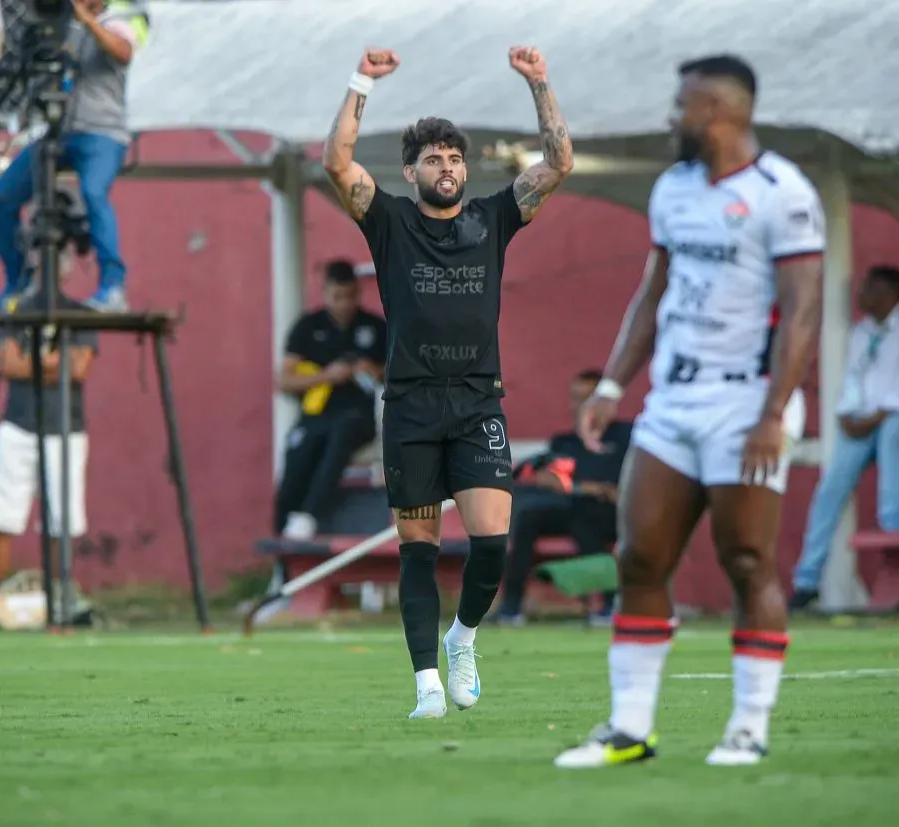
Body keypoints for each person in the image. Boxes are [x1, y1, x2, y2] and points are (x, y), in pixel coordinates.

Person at [554, 55, 824, 769]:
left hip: (747, 401)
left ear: (720, 112)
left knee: (747, 559)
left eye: (683, 105)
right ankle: (629, 729)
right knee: (640, 555)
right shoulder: (672, 187)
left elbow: (802, 313)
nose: (672, 117)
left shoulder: (783, 193)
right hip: (672, 402)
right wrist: (612, 387)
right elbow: (655, 293)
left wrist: (773, 414)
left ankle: (748, 727)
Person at [322, 46, 572, 718]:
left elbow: (558, 164)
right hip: (409, 406)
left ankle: (463, 637)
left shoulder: (492, 218)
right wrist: (362, 81)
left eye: (455, 158)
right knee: (419, 549)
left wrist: (539, 83)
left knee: (491, 540)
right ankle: (427, 684)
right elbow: (337, 163)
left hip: (476, 402)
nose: (447, 167)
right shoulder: (390, 222)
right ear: (412, 172)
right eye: (434, 159)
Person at [0, 0, 149, 312]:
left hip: (102, 133)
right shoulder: (58, 26)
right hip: (56, 133)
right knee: (0, 199)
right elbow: (27, 58)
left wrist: (86, 20)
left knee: (94, 193)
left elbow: (123, 52)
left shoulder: (119, 21)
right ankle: (18, 285)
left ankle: (113, 288)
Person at [789, 266, 899, 608]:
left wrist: (875, 417)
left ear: (891, 294)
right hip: (866, 422)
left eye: (870, 288)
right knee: (833, 483)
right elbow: (853, 381)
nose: (861, 294)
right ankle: (807, 579)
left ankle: (894, 546)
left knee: (892, 438)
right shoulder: (862, 332)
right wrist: (846, 413)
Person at [0, 262, 98, 586]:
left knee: (62, 522)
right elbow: (2, 362)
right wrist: (53, 364)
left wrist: (28, 363)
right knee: (1, 516)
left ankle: (58, 594)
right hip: (17, 425)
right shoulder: (15, 309)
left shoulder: (79, 313)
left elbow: (78, 369)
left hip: (66, 429)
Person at [497, 369, 631, 626]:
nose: (580, 405)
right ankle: (511, 608)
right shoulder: (564, 442)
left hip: (612, 512)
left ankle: (609, 604)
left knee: (587, 521)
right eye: (576, 398)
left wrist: (608, 491)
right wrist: (570, 485)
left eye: (587, 398)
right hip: (571, 507)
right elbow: (542, 475)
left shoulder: (625, 436)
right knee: (528, 517)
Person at [274, 259, 386, 540]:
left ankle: (309, 515)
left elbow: (404, 372)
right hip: (315, 415)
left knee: (340, 436)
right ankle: (283, 536)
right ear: (325, 293)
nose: (344, 304)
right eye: (337, 297)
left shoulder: (375, 327)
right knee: (298, 455)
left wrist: (374, 371)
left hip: (358, 417)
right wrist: (328, 376)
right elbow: (284, 381)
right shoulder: (307, 327)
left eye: (350, 296)